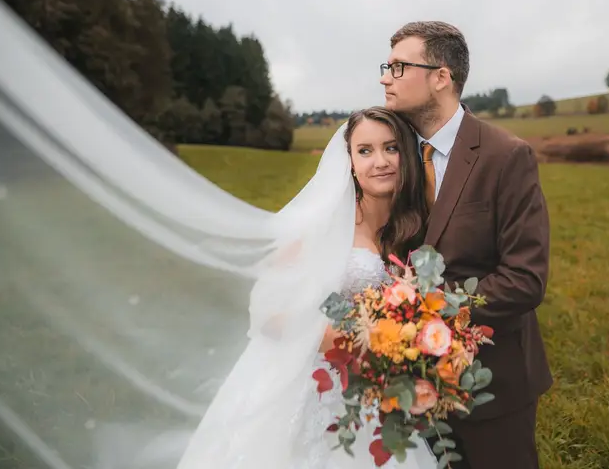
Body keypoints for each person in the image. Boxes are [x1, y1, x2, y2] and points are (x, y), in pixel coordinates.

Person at [174, 106, 439, 469]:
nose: (380, 161)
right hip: (311, 382)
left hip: (377, 387)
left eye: (391, 148)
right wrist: (335, 334)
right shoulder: (322, 227)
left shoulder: (412, 228)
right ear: (348, 161)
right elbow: (266, 308)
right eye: (365, 151)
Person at [380, 21, 553, 469]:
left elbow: (525, 279)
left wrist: (423, 314)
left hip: (491, 384)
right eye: (387, 66)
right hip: (406, 385)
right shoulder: (389, 154)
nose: (385, 77)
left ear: (441, 76)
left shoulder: (506, 156)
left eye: (399, 67)